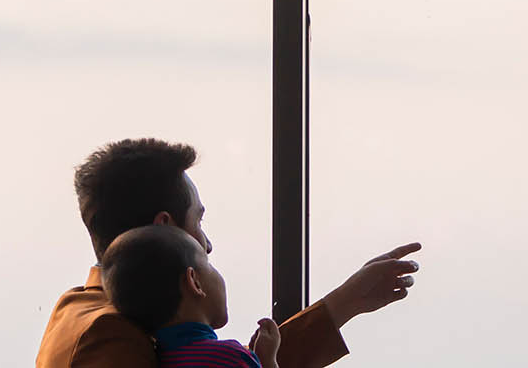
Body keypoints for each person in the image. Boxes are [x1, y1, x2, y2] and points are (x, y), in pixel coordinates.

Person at [38, 138, 427, 368]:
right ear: (165, 227)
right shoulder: (109, 337)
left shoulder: (81, 309)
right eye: (198, 223)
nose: (207, 244)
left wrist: (345, 302)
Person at [102, 223, 281, 368]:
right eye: (208, 264)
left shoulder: (153, 360)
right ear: (194, 282)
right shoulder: (230, 358)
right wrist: (267, 361)